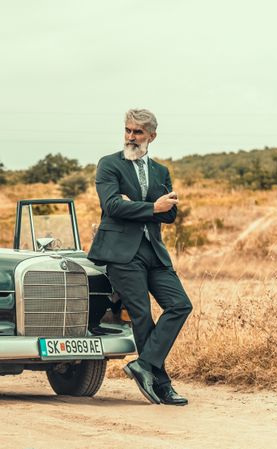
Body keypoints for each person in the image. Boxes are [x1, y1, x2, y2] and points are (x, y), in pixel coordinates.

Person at [88, 109, 193, 405]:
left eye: (138, 132)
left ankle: (144, 365)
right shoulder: (109, 165)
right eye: (128, 130)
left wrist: (138, 205)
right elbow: (112, 207)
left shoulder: (161, 171)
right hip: (121, 253)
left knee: (180, 305)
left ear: (152, 136)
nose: (131, 137)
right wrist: (151, 208)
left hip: (153, 251)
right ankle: (163, 385)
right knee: (142, 316)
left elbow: (170, 213)